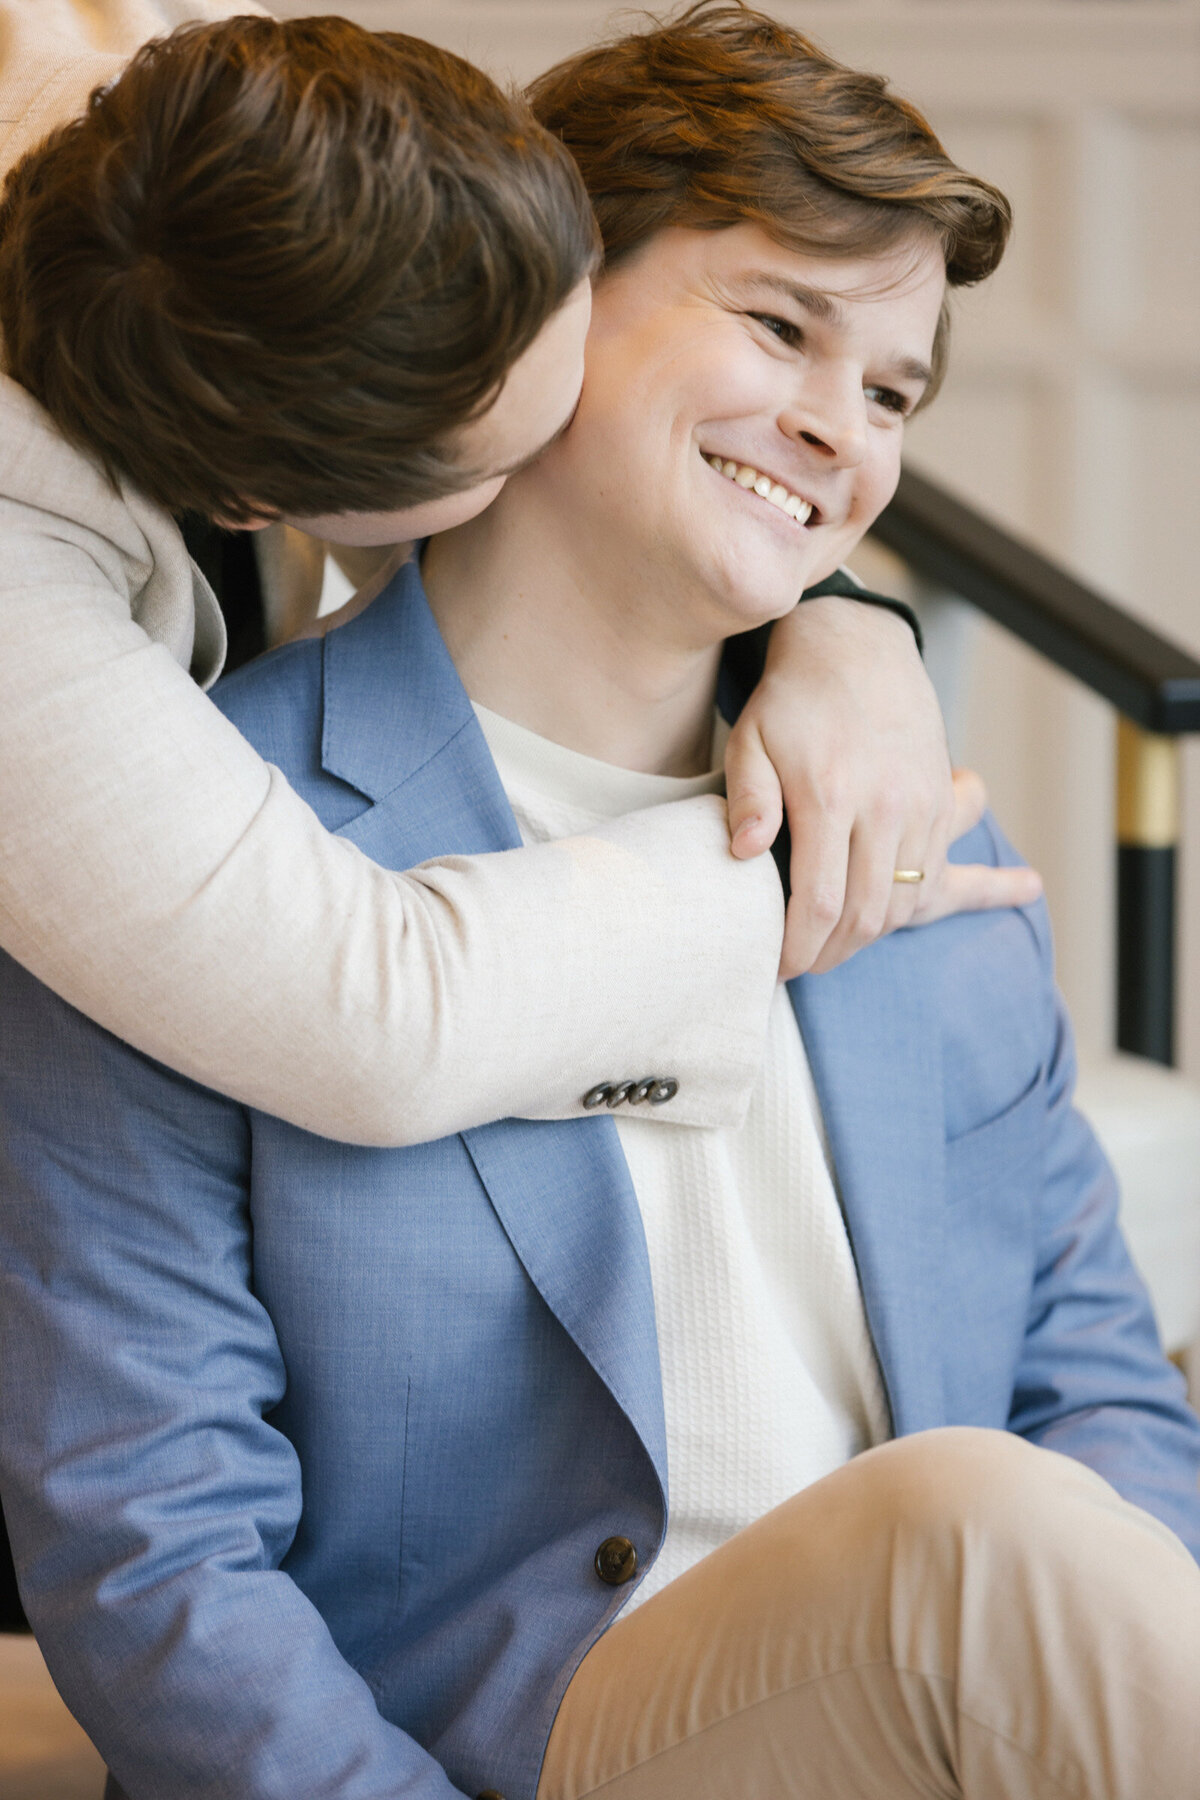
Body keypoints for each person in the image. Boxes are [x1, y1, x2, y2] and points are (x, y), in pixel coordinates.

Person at [8, 5, 1195, 1797]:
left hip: (989, 1739)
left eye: (889, 393)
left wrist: (852, 636)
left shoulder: (926, 832)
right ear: (543, 300)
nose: (836, 434)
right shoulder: (181, 861)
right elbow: (156, 1545)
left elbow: (1102, 1393)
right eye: (779, 326)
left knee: (1015, 1521)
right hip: (532, 1755)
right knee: (977, 1527)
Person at [0, 0, 1029, 1156]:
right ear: (257, 502)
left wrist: (845, 625)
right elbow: (373, 1028)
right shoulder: (25, 584)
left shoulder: (221, 118)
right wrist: (792, 874)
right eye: (510, 450)